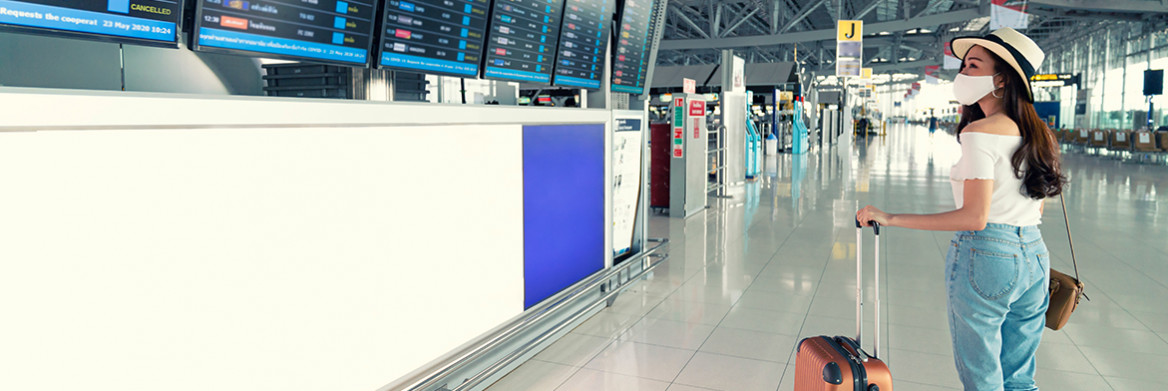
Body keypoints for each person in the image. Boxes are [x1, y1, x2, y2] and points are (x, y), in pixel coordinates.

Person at [855, 27, 1065, 391]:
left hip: (988, 257)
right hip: (1035, 257)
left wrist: (890, 218)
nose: (962, 74)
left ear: (1000, 78)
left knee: (983, 379)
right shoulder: (1039, 134)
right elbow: (1038, 207)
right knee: (1020, 377)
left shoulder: (979, 132)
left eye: (972, 65)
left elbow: (975, 217)